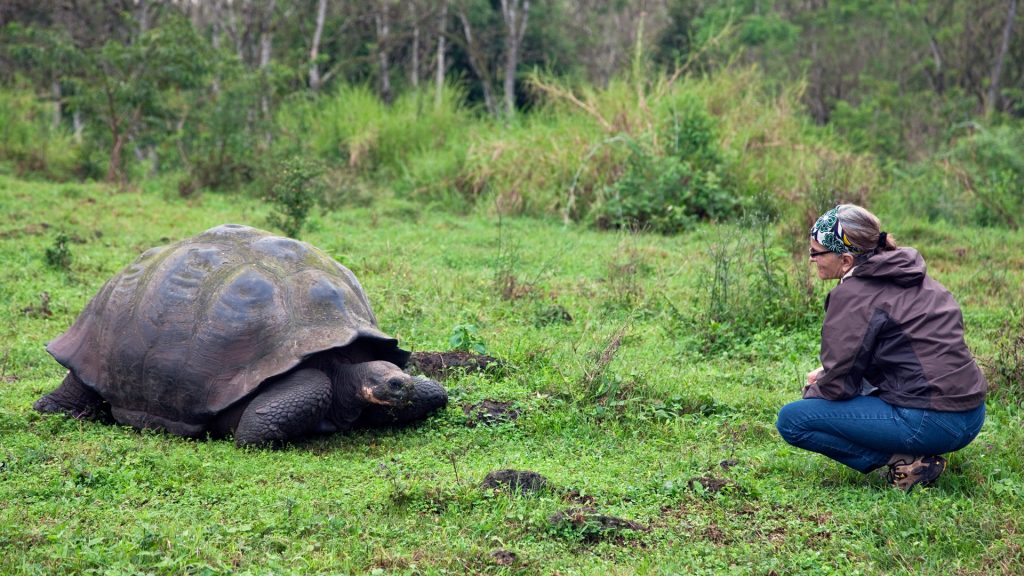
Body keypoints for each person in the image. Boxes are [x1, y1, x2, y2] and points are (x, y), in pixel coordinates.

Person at [776, 204, 987, 490]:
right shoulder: (913, 275)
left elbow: (837, 386)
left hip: (931, 420)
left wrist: (817, 386)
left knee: (794, 419)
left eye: (816, 252)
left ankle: (905, 462)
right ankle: (913, 453)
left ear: (847, 260)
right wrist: (833, 374)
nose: (812, 260)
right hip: (972, 414)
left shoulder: (853, 295)